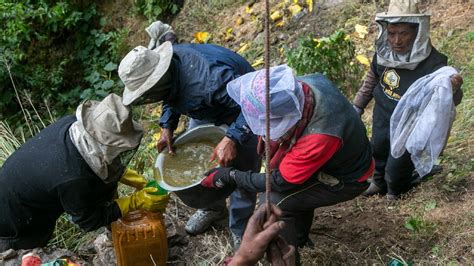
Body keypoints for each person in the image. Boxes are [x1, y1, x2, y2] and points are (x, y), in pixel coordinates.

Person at [200, 65, 374, 262]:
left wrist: (231, 176)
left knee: (274, 203)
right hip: (332, 158)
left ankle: (287, 259)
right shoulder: (295, 88)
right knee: (293, 197)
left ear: (285, 117)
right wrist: (232, 137)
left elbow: (281, 180)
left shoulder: (319, 136)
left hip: (346, 178)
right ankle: (299, 239)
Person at [117, 39, 261, 247]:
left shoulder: (210, 80)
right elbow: (171, 95)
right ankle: (213, 208)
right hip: (203, 106)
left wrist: (232, 137)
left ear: (159, 79)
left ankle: (241, 227)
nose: (149, 98)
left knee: (242, 172)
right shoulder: (167, 69)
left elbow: (253, 103)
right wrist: (167, 125)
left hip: (241, 108)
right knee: (201, 162)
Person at [0, 94, 168, 251]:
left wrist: (127, 176)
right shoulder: (72, 178)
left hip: (17, 188)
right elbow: (88, 221)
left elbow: (100, 163)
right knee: (30, 254)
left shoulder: (75, 126)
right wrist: (134, 202)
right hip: (15, 225)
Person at [352, 0, 464, 200]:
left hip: (409, 121)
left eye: (403, 33)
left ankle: (396, 190)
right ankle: (378, 182)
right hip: (382, 112)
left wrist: (454, 89)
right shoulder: (383, 53)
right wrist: (357, 106)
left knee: (398, 162)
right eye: (392, 33)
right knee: (378, 147)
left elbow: (445, 101)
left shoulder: (434, 62)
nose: (397, 40)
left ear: (417, 32)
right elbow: (372, 79)